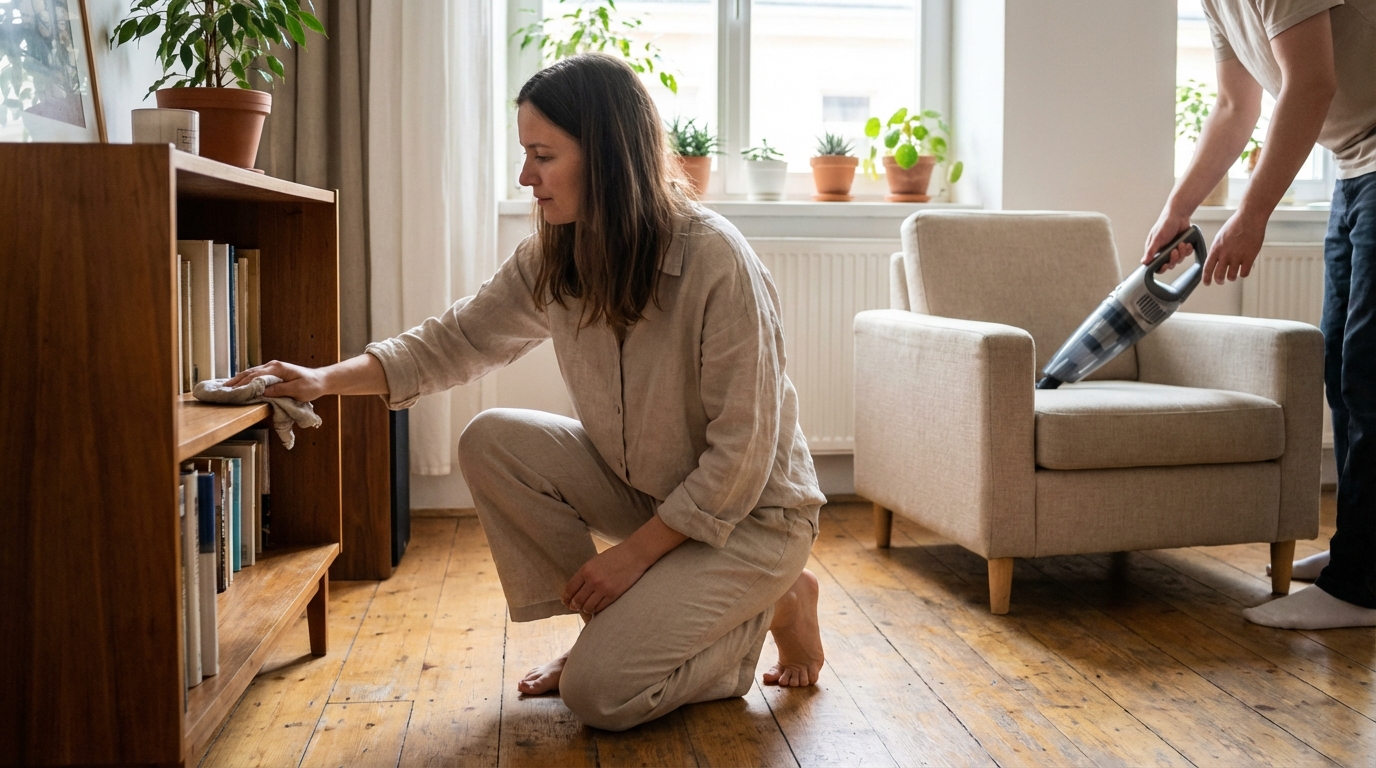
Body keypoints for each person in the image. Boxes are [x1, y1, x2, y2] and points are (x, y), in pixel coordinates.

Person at [226, 53, 827, 730]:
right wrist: (322, 379)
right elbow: (452, 340)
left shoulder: (718, 261)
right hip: (658, 494)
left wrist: (630, 559)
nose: (525, 176)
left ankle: (760, 606)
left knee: (599, 696)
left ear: (605, 156)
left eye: (542, 155)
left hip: (752, 517)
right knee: (492, 440)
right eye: (524, 153)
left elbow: (741, 457)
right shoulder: (555, 256)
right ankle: (633, 625)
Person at [1144, 1, 1376, 629]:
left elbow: (1313, 82)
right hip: (1357, 170)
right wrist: (1178, 207)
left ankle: (1362, 585)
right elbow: (1233, 104)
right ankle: (1364, 553)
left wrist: (1251, 216)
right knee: (1343, 375)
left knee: (1369, 377)